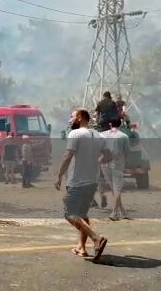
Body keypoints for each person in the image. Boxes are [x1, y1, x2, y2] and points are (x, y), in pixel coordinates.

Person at [55, 109, 112, 261]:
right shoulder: (99, 136)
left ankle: (96, 238)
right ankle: (81, 248)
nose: (69, 120)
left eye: (71, 117)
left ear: (80, 118)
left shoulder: (76, 134)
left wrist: (59, 175)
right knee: (82, 214)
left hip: (77, 181)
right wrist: (95, 162)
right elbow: (108, 155)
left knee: (70, 213)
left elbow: (67, 156)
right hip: (92, 182)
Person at [101, 118, 131, 221]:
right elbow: (127, 152)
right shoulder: (124, 136)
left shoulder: (102, 135)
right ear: (120, 124)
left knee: (114, 189)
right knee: (117, 189)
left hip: (104, 164)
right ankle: (114, 213)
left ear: (110, 124)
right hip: (117, 164)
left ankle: (123, 212)